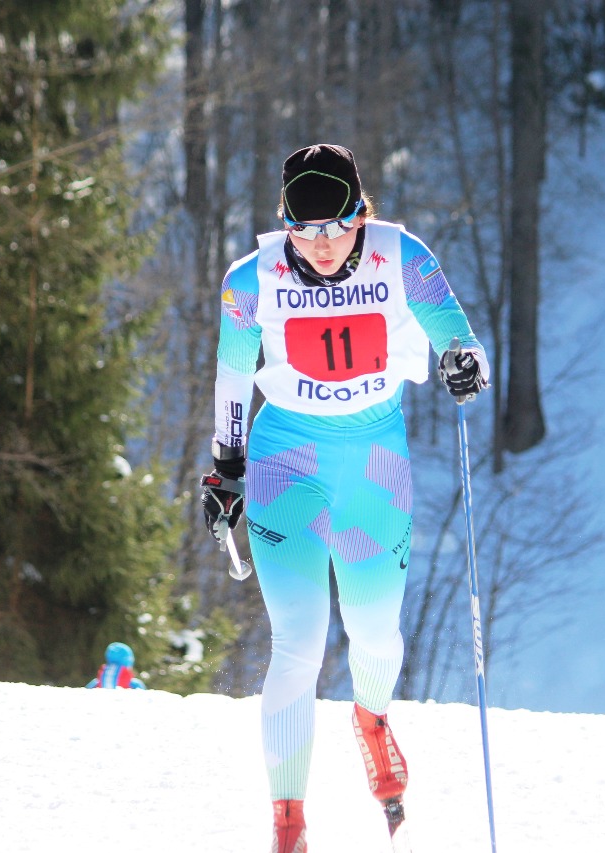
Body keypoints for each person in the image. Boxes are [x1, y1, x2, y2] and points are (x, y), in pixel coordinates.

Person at [199, 144, 487, 852]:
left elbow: (462, 338)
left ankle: (373, 717)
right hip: (284, 463)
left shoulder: (403, 257)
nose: (323, 245)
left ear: (363, 214)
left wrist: (464, 364)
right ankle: (288, 823)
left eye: (337, 226)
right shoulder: (251, 281)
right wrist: (223, 470)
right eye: (305, 229)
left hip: (374, 466)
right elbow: (234, 380)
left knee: (374, 631)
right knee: (298, 641)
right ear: (284, 225)